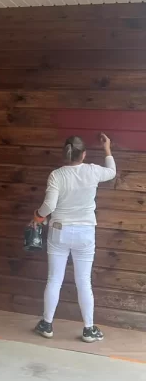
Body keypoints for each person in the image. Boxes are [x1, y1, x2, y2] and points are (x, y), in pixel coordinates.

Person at [33, 133, 116, 343]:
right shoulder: (92, 171)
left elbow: (49, 206)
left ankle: (47, 324)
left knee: (54, 280)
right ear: (84, 154)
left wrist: (37, 216)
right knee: (84, 282)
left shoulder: (56, 175)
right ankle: (89, 329)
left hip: (59, 231)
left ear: (65, 154)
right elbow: (112, 172)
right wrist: (107, 149)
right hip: (85, 232)